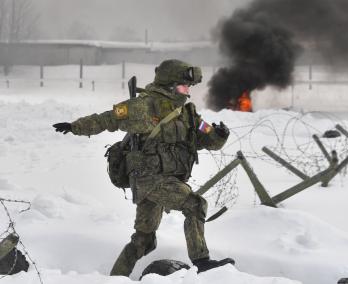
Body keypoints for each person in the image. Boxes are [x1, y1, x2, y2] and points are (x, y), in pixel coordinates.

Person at [53, 59, 235, 276]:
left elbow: (208, 138)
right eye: (183, 85)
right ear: (170, 84)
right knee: (195, 204)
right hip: (148, 179)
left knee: (143, 240)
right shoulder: (142, 106)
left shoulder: (188, 113)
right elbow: (107, 119)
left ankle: (115, 279)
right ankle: (202, 262)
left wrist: (220, 135)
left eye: (189, 87)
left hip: (168, 180)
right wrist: (75, 127)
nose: (187, 91)